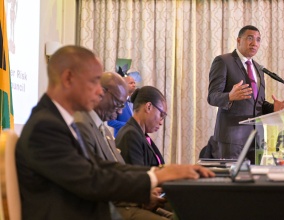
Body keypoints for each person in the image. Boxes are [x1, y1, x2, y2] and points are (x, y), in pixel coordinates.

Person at [15, 45, 215, 220]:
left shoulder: (60, 121)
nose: (99, 91)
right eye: (94, 82)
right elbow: (92, 180)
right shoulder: (45, 126)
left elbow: (102, 167)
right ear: (68, 78)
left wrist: (158, 172)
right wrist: (157, 177)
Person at [74, 72, 172, 219]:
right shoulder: (82, 126)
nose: (120, 111)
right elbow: (95, 182)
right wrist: (141, 195)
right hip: (112, 210)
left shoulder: (104, 130)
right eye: (118, 104)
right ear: (101, 92)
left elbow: (119, 172)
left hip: (127, 203)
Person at [207, 25, 284, 163]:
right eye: (250, 38)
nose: (254, 43)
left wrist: (272, 108)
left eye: (258, 39)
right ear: (239, 40)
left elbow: (257, 103)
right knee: (232, 181)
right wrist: (229, 96)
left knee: (253, 181)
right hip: (232, 138)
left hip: (257, 140)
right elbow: (212, 96)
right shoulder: (223, 61)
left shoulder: (259, 69)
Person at [115, 86, 166, 166]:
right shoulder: (131, 135)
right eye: (161, 115)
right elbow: (138, 175)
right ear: (148, 107)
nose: (161, 122)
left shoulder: (139, 134)